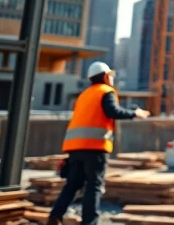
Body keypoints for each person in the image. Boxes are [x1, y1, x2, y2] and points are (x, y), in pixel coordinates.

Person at [48, 62, 150, 225]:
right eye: (110, 76)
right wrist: (135, 113)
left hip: (75, 147)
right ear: (104, 76)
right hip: (94, 148)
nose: (111, 79)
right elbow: (113, 111)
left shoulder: (84, 94)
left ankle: (55, 216)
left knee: (73, 185)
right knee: (94, 187)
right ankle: (89, 222)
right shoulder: (106, 91)